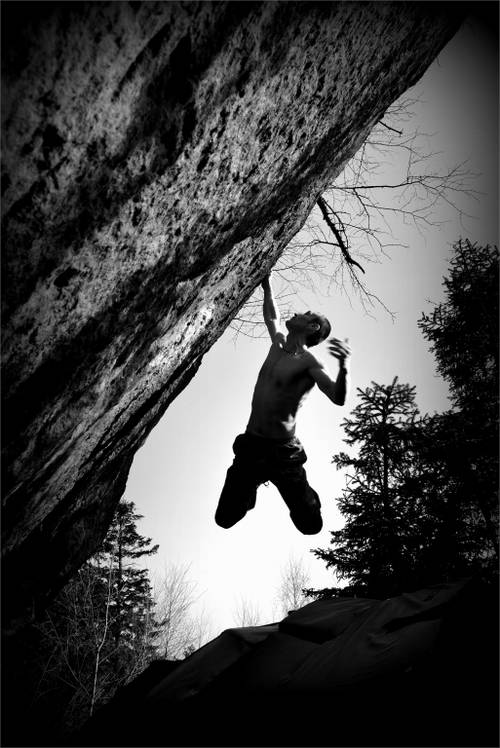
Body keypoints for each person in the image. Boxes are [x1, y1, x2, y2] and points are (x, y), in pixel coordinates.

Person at [215, 272, 351, 535]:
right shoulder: (278, 343)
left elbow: (337, 397)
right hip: (252, 445)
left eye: (306, 314)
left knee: (311, 525)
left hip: (283, 453)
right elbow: (272, 316)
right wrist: (267, 285)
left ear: (312, 327)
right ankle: (250, 488)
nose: (298, 312)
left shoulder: (310, 363)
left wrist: (343, 367)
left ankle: (306, 495)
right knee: (225, 518)